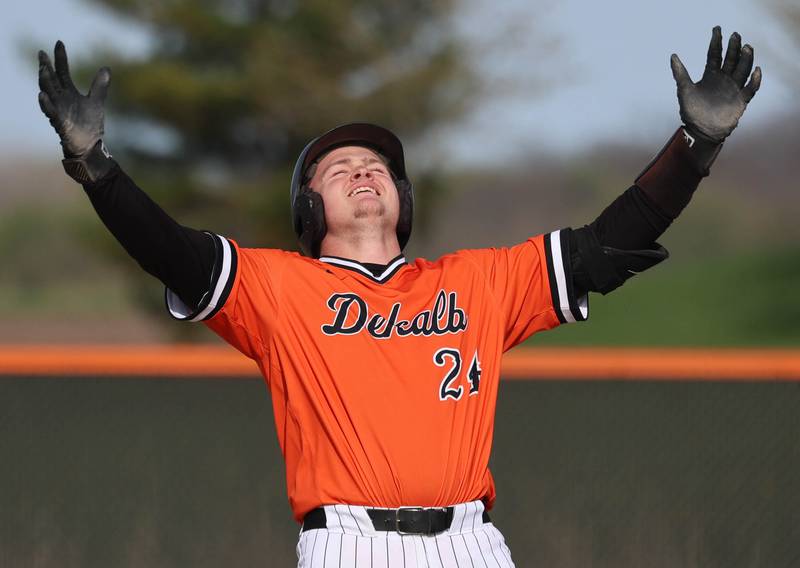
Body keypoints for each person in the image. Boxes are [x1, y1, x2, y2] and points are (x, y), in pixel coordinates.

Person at [38, 26, 760, 567]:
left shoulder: (478, 282)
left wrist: (693, 149)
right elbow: (170, 251)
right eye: (338, 167)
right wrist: (97, 168)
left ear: (403, 196)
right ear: (308, 209)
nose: (362, 172)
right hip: (350, 545)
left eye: (377, 165)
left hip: (473, 544)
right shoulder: (278, 289)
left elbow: (608, 248)